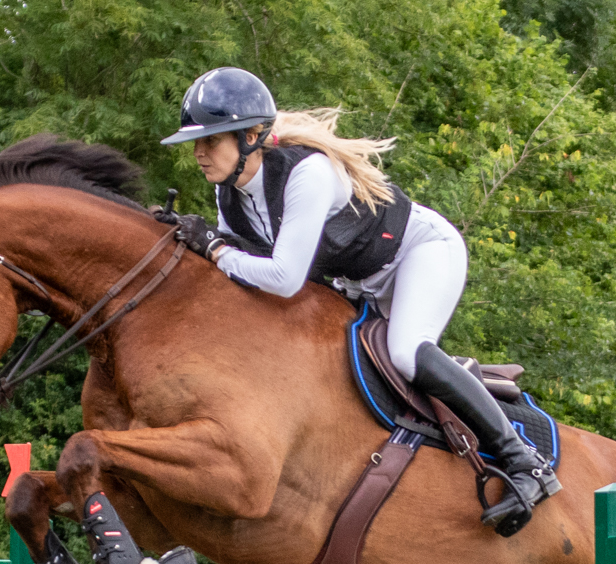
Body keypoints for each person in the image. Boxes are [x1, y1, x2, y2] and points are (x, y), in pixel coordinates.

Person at [159, 67, 559, 534]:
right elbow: (243, 264)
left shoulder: (306, 173)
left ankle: (524, 460)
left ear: (251, 137)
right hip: (358, 282)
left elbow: (283, 278)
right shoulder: (229, 193)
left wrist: (215, 249)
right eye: (196, 142)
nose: (199, 153)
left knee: (407, 353)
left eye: (210, 140)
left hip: (419, 253)